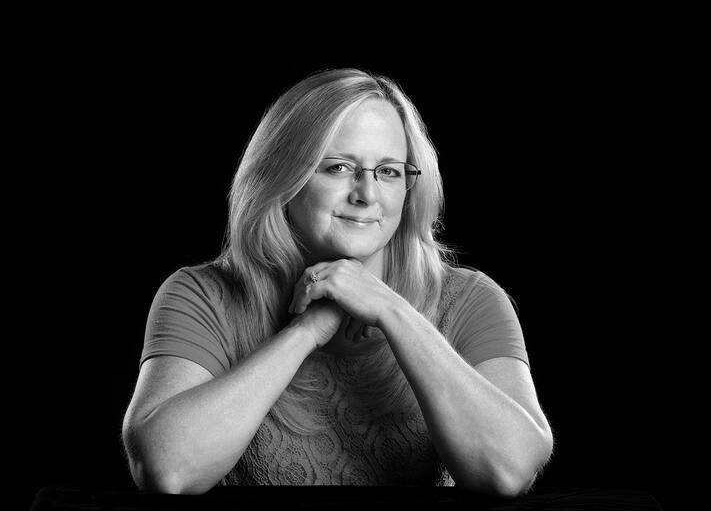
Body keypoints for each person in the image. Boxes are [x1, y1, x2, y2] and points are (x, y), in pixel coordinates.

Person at [121, 68, 554, 496]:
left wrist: (392, 311)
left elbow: (507, 471)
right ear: (283, 176)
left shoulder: (470, 299)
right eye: (339, 167)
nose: (366, 194)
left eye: (388, 171)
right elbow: (169, 471)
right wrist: (306, 331)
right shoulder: (203, 295)